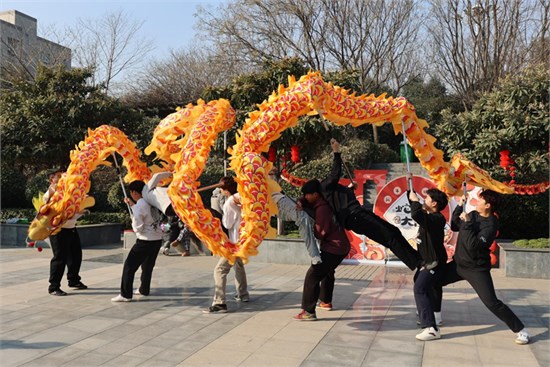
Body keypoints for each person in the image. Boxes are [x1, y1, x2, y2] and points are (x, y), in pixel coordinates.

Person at [313, 139, 424, 271]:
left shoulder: (331, 190)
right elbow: (335, 173)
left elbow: (341, 197)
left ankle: (417, 259)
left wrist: (349, 188)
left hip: (359, 215)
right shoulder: (324, 187)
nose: (320, 178)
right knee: (389, 236)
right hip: (355, 217)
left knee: (393, 232)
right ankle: (417, 263)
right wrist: (336, 152)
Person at [436, 189, 531, 344]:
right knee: (433, 282)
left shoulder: (491, 226)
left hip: (476, 269)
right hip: (459, 265)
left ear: (487, 205)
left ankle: (521, 330)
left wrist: (467, 224)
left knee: (492, 302)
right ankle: (435, 316)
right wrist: (460, 207)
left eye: (480, 200)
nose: (477, 202)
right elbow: (454, 226)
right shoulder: (473, 214)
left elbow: (473, 245)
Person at [293, 179, 351, 321]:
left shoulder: (322, 209)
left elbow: (320, 232)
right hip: (339, 246)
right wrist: (302, 202)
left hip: (334, 247)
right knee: (327, 271)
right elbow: (305, 200)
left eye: (308, 195)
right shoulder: (322, 202)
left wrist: (310, 228)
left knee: (313, 275)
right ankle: (325, 301)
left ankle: (308, 311)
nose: (306, 197)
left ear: (316, 194)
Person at [111, 180, 163, 302]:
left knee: (129, 266)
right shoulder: (152, 202)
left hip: (144, 241)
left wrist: (134, 218)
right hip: (156, 239)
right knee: (147, 266)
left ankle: (125, 295)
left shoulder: (140, 206)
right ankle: (144, 289)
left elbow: (137, 227)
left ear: (134, 192)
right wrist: (132, 205)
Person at [408, 186, 449, 341]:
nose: (424, 200)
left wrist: (415, 201)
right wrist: (409, 186)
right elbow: (415, 208)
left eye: (427, 198)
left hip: (434, 263)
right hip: (426, 261)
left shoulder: (437, 219)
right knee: (426, 284)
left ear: (435, 204)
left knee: (420, 288)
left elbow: (415, 213)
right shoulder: (428, 215)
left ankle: (431, 328)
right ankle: (435, 315)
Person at [204, 176, 249, 313]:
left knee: (220, 270)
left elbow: (227, 224)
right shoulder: (243, 196)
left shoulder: (230, 202)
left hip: (234, 242)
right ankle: (243, 294)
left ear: (225, 189)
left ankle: (220, 303)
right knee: (238, 265)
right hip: (243, 240)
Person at [44, 169, 88, 296]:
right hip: (58, 230)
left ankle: (73, 280)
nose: (63, 177)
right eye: (58, 176)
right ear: (51, 180)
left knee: (75, 255)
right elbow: (49, 212)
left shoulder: (68, 191)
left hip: (71, 228)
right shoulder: (49, 195)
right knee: (60, 258)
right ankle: (53, 286)